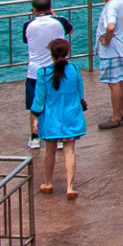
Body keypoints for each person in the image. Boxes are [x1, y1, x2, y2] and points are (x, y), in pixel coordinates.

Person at [32, 38, 85, 199]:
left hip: (51, 119)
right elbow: (80, 93)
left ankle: (48, 182)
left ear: (51, 54)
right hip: (70, 117)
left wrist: (35, 118)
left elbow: (39, 100)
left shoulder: (43, 73)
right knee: (69, 151)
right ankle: (70, 187)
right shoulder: (74, 69)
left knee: (50, 152)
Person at [22, 0, 71, 150]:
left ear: (33, 10)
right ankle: (59, 137)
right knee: (57, 102)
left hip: (35, 71)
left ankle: (34, 137)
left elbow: (25, 39)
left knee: (35, 105)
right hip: (57, 69)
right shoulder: (60, 21)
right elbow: (69, 29)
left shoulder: (28, 24)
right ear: (51, 7)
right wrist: (55, 16)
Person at [92, 0, 123, 128]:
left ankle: (116, 116)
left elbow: (110, 26)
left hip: (111, 51)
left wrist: (107, 39)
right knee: (120, 80)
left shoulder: (110, 7)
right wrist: (122, 31)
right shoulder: (121, 1)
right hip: (120, 47)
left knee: (113, 83)